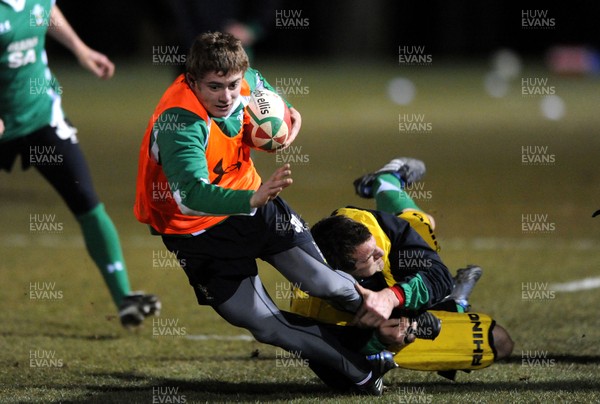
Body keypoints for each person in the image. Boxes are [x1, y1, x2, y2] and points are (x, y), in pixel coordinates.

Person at [134, 31, 409, 396]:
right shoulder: (180, 122)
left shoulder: (245, 78)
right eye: (214, 87)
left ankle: (404, 313)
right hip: (195, 230)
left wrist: (289, 116)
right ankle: (361, 367)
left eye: (232, 85)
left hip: (253, 201)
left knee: (324, 282)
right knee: (264, 324)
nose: (227, 96)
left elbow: (269, 96)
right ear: (192, 80)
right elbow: (190, 197)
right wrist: (250, 200)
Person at [0, 1, 160, 328]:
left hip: (40, 115)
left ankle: (124, 298)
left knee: (86, 201)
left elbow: (45, 11)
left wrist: (80, 49)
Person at [291, 157, 514, 386]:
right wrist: (378, 342)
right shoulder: (313, 310)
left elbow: (438, 275)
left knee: (422, 225)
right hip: (378, 331)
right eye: (369, 257)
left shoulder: (375, 231)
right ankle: (450, 306)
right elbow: (335, 374)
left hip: (393, 286)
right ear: (346, 272)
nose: (378, 252)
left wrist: (392, 297)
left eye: (375, 246)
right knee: (497, 342)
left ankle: (386, 182)